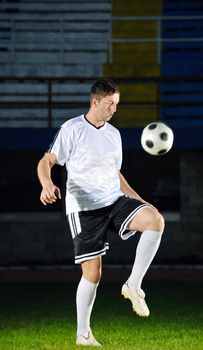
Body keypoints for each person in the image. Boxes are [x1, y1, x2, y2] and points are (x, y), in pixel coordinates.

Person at [37, 78, 165, 347]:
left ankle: (133, 285)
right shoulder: (71, 129)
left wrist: (141, 200)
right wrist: (47, 183)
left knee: (154, 220)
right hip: (84, 208)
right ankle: (83, 334)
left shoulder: (114, 134)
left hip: (113, 200)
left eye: (116, 104)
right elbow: (46, 160)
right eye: (110, 104)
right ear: (94, 102)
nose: (114, 110)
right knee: (93, 273)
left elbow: (115, 174)